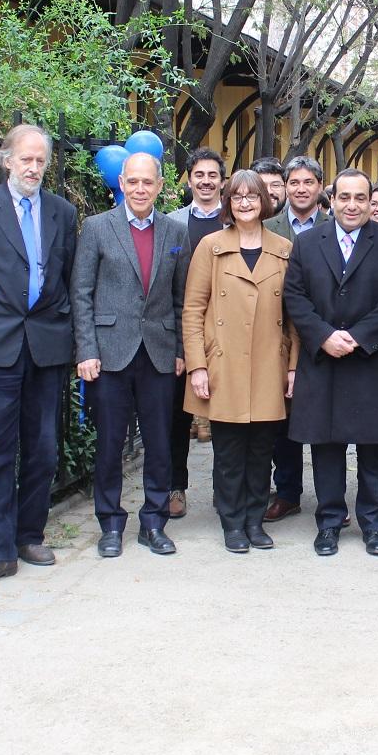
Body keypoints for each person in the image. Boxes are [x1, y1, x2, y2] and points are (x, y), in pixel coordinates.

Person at [0, 124, 77, 588]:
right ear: (6, 160)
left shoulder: (62, 212)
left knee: (42, 447)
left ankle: (29, 534)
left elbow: (65, 274)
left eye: (41, 160)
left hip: (45, 346)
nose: (34, 168)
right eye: (26, 159)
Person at [282, 168, 378, 557]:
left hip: (372, 362)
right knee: (326, 448)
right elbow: (294, 296)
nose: (353, 205)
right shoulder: (307, 243)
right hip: (323, 361)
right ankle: (328, 523)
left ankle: (374, 526)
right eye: (345, 197)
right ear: (332, 199)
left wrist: (357, 338)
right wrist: (324, 335)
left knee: (375, 449)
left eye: (361, 198)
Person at [72, 152, 190, 558]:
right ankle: (110, 523)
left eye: (148, 182)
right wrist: (86, 349)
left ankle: (154, 523)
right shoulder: (96, 228)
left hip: (158, 353)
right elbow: (81, 292)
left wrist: (179, 350)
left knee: (160, 443)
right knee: (109, 444)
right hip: (109, 355)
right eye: (133, 182)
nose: (140, 189)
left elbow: (181, 298)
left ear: (160, 186)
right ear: (121, 183)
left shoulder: (176, 233)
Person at [182, 170, 298, 553]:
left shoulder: (283, 248)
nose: (245, 203)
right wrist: (198, 365)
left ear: (265, 202)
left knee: (262, 450)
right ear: (228, 203)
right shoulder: (211, 247)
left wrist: (293, 366)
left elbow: (297, 316)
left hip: (269, 364)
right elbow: (193, 309)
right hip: (223, 364)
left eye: (252, 196)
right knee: (229, 452)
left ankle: (254, 520)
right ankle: (232, 523)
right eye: (237, 197)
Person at [165, 147, 228, 519]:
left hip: (224, 337)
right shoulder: (172, 223)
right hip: (180, 334)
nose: (205, 181)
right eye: (198, 175)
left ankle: (226, 487)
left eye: (212, 176)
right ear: (189, 180)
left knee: (225, 417)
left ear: (222, 180)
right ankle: (176, 486)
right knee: (177, 418)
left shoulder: (234, 222)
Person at [263, 155, 327, 522]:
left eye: (308, 183)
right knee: (281, 421)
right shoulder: (267, 226)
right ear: (286, 187)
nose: (301, 189)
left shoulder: (336, 226)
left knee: (322, 420)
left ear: (319, 187)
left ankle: (328, 497)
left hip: (320, 335)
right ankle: (287, 492)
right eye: (294, 183)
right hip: (276, 335)